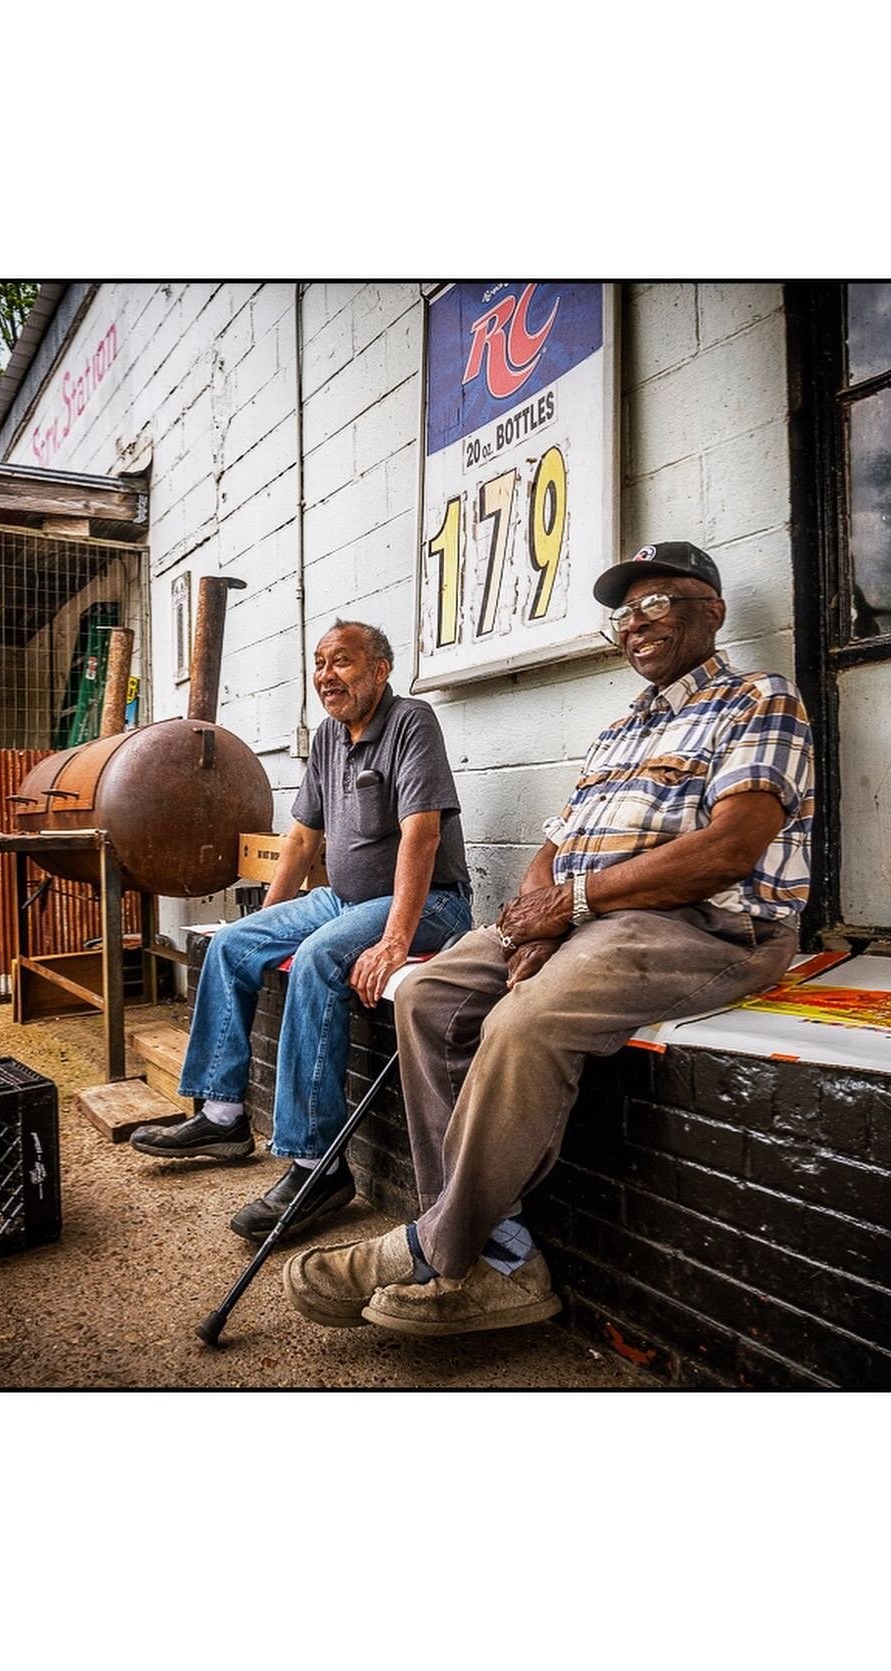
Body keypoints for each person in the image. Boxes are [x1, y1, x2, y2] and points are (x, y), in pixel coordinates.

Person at [285, 542, 814, 1337]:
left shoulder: (758, 699)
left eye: (656, 604)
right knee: (426, 992)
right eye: (622, 614)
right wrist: (542, 910)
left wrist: (569, 906)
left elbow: (727, 850)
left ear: (712, 609)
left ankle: (434, 1249)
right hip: (588, 914)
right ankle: (501, 1256)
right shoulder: (619, 728)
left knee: (522, 1020)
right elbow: (551, 847)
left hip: (706, 924)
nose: (635, 625)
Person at [129, 619, 472, 1244]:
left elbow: (422, 833)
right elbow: (302, 838)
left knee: (316, 959)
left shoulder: (411, 721)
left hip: (428, 906)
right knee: (233, 944)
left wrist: (396, 939)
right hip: (343, 900)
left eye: (341, 661)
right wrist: (266, 917)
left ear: (379, 670)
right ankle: (224, 1115)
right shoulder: (328, 738)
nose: (326, 676)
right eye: (319, 663)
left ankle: (318, 1167)